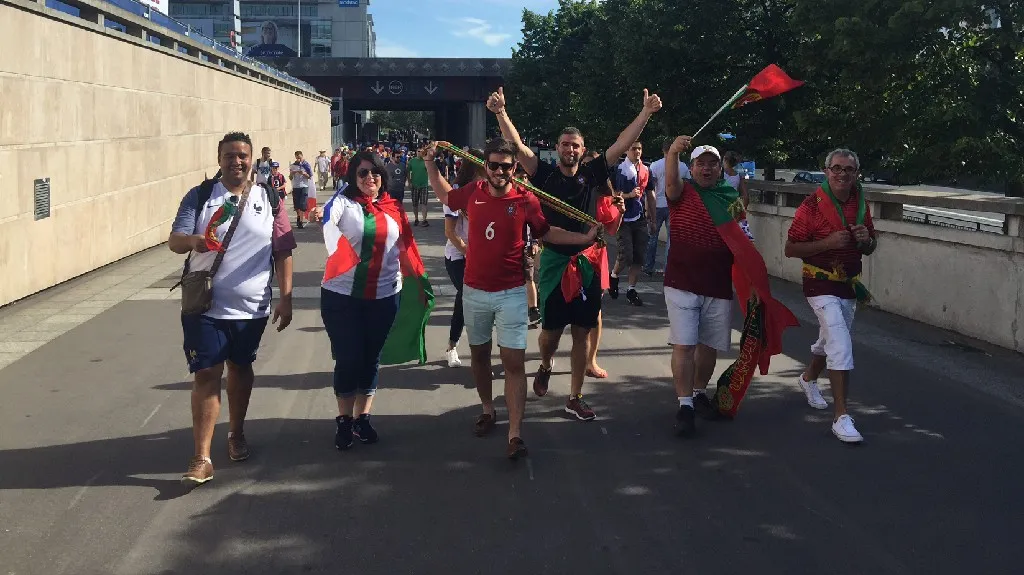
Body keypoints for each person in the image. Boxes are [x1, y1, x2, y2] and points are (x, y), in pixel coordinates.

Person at [488, 86, 662, 421]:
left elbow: (622, 144)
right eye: (565, 144)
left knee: (583, 332)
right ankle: (546, 362)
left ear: (582, 151)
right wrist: (500, 113)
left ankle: (575, 396)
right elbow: (519, 147)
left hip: (588, 261)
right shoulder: (545, 174)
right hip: (554, 262)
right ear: (557, 148)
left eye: (576, 145)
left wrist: (646, 114)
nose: (570, 149)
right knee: (550, 335)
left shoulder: (593, 171)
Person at [426, 138, 601, 459]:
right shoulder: (473, 193)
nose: (499, 171)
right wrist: (429, 164)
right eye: (493, 165)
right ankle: (488, 409)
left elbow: (547, 233)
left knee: (514, 364)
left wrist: (584, 237)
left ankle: (515, 434)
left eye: (506, 166)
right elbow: (444, 194)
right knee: (479, 358)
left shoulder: (526, 200)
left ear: (514, 168)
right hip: (476, 291)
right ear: (486, 167)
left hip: (511, 294)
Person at [169, 131, 296, 486]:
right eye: (229, 155)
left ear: (252, 159)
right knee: (206, 375)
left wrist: (286, 297)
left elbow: (283, 250)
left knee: (241, 368)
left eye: (242, 155)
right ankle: (202, 457)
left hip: (251, 307)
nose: (236, 161)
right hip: (205, 306)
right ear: (219, 159)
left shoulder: (269, 197)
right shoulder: (202, 196)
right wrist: (197, 240)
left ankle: (236, 433)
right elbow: (175, 241)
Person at [663, 138, 796, 436]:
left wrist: (754, 281)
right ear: (692, 167)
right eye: (701, 163)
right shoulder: (682, 192)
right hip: (682, 281)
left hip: (718, 282)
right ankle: (684, 405)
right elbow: (669, 183)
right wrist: (673, 152)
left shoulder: (729, 198)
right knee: (685, 344)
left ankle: (698, 393)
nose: (707, 168)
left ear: (720, 168)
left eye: (712, 163)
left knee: (710, 344)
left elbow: (742, 237)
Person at [313, 151, 429, 450]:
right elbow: (329, 218)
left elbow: (406, 247)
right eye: (362, 173)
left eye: (375, 173)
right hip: (342, 295)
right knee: (349, 357)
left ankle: (362, 417)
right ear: (353, 176)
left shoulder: (392, 207)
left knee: (370, 357)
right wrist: (321, 218)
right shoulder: (343, 203)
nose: (369, 178)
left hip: (384, 295)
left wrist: (417, 282)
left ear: (383, 176)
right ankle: (344, 420)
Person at [785, 148, 877, 444]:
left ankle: (808, 378)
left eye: (848, 170)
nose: (842, 174)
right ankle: (841, 417)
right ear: (826, 172)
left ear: (856, 174)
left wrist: (866, 241)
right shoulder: (811, 206)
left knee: (830, 339)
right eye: (836, 169)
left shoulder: (861, 203)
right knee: (839, 341)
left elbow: (871, 245)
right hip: (818, 282)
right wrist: (826, 243)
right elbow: (791, 248)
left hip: (849, 284)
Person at [443, 148, 486, 368]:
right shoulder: (457, 192)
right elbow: (450, 232)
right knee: (465, 294)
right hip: (458, 255)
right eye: (485, 166)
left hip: (483, 256)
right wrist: (470, 253)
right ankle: (452, 346)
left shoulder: (490, 190)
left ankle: (483, 348)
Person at [609, 140, 653, 305]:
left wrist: (653, 218)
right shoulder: (619, 170)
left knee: (639, 258)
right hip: (623, 218)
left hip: (640, 218)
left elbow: (650, 194)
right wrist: (628, 195)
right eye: (634, 148)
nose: (637, 152)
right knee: (627, 255)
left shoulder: (645, 170)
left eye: (640, 148)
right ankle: (613, 275)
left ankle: (631, 290)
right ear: (627, 150)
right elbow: (613, 196)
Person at [645, 139, 690, 274]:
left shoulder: (655, 165)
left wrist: (648, 208)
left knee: (652, 237)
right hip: (675, 205)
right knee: (672, 239)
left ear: (663, 150)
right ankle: (668, 268)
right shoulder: (683, 167)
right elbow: (687, 186)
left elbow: (650, 189)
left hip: (657, 205)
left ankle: (648, 266)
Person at [407, 147, 431, 226]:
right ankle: (416, 219)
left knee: (424, 203)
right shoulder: (412, 161)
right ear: (416, 152)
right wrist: (409, 182)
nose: (420, 153)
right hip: (415, 185)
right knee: (415, 204)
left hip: (424, 185)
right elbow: (408, 172)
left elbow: (430, 170)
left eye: (422, 151)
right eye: (419, 151)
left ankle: (424, 220)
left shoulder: (426, 161)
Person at [289, 151, 313, 229]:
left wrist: (304, 173)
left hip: (304, 186)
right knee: (297, 206)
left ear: (302, 156)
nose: (298, 159)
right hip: (296, 186)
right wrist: (292, 174)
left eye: (300, 157)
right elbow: (290, 178)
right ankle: (298, 217)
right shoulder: (293, 166)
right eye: (297, 157)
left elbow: (310, 176)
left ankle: (300, 221)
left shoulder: (306, 165)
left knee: (302, 205)